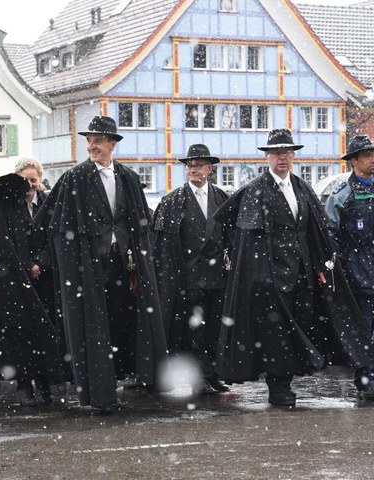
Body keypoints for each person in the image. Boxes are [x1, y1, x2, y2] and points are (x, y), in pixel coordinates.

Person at [213, 128, 374, 407]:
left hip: (301, 274)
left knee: (299, 326)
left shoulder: (301, 188)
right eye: (277, 153)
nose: (283, 158)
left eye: (287, 153)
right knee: (276, 334)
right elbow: (243, 233)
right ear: (267, 157)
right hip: (271, 276)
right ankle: (279, 387)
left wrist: (320, 264)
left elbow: (315, 230)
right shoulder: (256, 191)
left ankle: (291, 377)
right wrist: (261, 273)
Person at [34, 115, 168, 412]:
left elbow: (139, 224)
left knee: (123, 322)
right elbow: (51, 224)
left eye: (97, 141)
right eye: (89, 141)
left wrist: (136, 265)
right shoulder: (75, 178)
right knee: (94, 327)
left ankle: (126, 377)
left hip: (123, 265)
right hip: (90, 269)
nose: (92, 146)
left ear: (111, 143)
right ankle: (100, 394)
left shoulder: (129, 178)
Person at [0, 159, 67, 406]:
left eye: (33, 179)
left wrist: (40, 263)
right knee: (21, 332)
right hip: (16, 279)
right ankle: (24, 383)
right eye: (25, 180)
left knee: (46, 330)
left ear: (40, 180)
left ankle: (45, 381)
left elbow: (54, 238)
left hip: (44, 278)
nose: (30, 185)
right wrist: (24, 267)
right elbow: (6, 242)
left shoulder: (48, 205)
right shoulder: (8, 207)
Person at [153, 144, 230, 395]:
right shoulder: (172, 201)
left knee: (215, 328)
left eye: (198, 165)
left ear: (209, 169)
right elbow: (163, 246)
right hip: (188, 276)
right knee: (193, 330)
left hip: (217, 276)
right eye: (189, 166)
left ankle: (214, 374)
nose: (193, 170)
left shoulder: (222, 198)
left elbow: (230, 237)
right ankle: (201, 375)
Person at [325, 135, 374, 398]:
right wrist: (341, 270)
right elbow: (331, 235)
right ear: (353, 161)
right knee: (363, 331)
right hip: (359, 276)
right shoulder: (342, 196)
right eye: (366, 155)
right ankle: (366, 381)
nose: (372, 160)